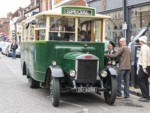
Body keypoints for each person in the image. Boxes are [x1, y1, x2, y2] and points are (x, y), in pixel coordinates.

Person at [137, 36, 150, 102]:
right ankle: (147, 96)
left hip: (143, 66)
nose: (139, 42)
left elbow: (144, 58)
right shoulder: (147, 47)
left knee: (141, 81)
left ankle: (145, 96)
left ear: (142, 41)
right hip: (147, 66)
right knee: (145, 82)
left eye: (140, 40)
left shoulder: (144, 48)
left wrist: (144, 68)